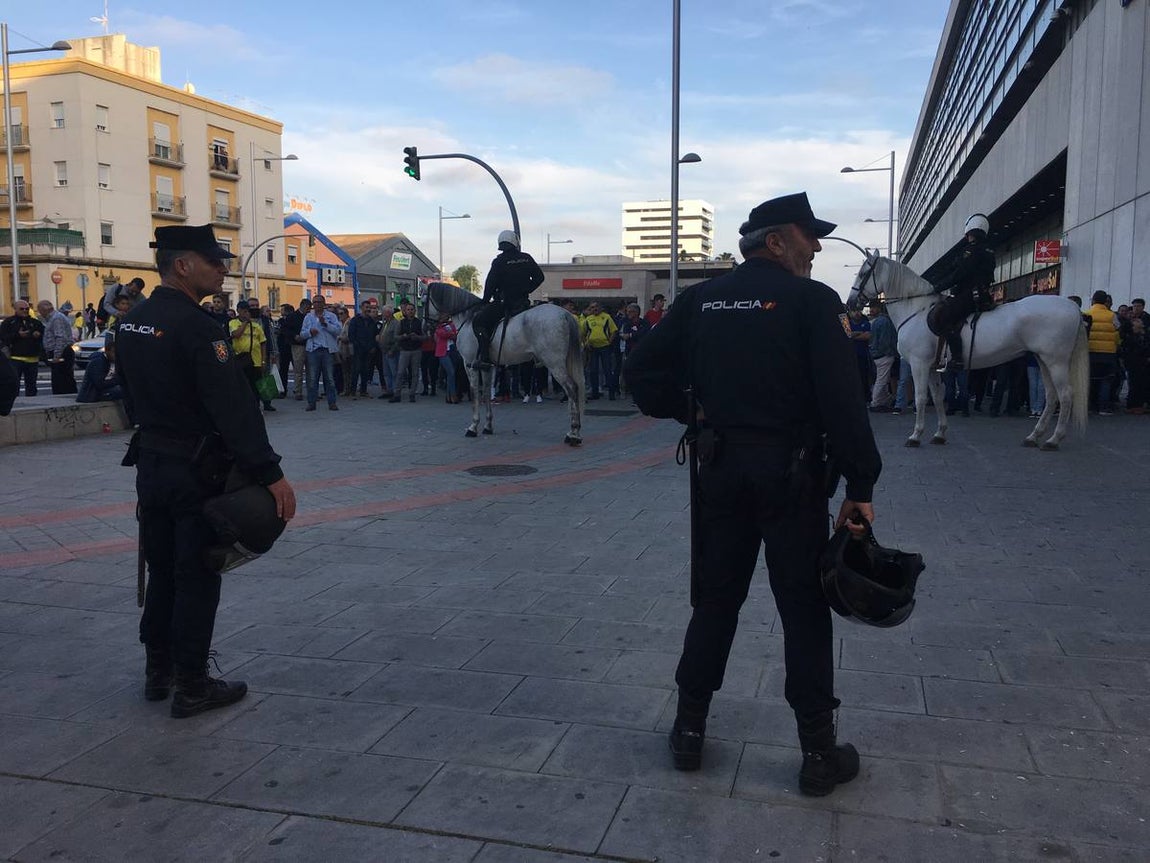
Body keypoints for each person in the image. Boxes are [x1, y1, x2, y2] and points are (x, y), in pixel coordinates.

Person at [624, 192, 882, 796]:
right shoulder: (812, 303)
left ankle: (689, 731)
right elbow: (845, 403)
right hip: (791, 479)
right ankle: (819, 752)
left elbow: (641, 371)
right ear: (776, 241)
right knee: (803, 607)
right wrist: (861, 483)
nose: (817, 247)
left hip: (720, 471)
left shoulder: (701, 300)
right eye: (808, 236)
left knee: (715, 599)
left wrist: (693, 413)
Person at [115, 224, 296, 718]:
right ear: (182, 265)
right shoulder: (199, 326)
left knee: (163, 570)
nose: (222, 269)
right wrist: (270, 473)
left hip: (152, 465)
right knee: (197, 573)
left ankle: (159, 670)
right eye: (213, 261)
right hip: (197, 472)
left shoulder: (132, 321)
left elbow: (126, 394)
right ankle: (192, 684)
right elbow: (233, 407)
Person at [932, 214, 996, 372]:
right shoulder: (989, 250)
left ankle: (957, 358)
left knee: (945, 317)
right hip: (983, 294)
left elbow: (959, 274)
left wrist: (938, 287)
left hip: (969, 295)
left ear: (970, 232)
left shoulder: (971, 250)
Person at [474, 230, 544, 366]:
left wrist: (485, 301)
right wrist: (527, 289)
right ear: (515, 242)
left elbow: (490, 284)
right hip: (523, 303)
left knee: (479, 321)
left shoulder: (499, 261)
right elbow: (539, 277)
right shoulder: (526, 258)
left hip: (503, 304)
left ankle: (485, 356)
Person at [229, 304, 275, 412]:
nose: (246, 314)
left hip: (256, 360)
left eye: (247, 311)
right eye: (244, 311)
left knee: (258, 385)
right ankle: (244, 406)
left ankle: (259, 405)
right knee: (243, 385)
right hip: (241, 359)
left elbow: (263, 342)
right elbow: (236, 334)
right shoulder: (233, 323)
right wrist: (245, 322)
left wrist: (264, 360)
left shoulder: (256, 326)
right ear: (239, 311)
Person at [301, 295, 341, 411]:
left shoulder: (331, 316)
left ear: (324, 303)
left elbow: (338, 331)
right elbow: (302, 334)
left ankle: (332, 402)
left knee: (329, 378)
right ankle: (311, 403)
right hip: (313, 350)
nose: (317, 304)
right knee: (312, 378)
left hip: (327, 350)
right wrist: (309, 332)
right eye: (315, 302)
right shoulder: (308, 317)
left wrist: (326, 324)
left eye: (319, 302)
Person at [0, 300, 45, 396]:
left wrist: (38, 335)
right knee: (14, 383)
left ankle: (33, 403)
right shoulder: (8, 322)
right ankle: (14, 403)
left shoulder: (36, 322)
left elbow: (44, 337)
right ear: (15, 309)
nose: (25, 310)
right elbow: (3, 338)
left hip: (33, 359)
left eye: (27, 309)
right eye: (22, 309)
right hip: (15, 359)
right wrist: (18, 335)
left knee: (32, 385)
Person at [1087, 289, 1119, 415]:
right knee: (1106, 380)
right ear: (1106, 301)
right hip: (1108, 353)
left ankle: (1090, 406)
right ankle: (1104, 407)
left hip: (1091, 351)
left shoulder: (1087, 313)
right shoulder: (1112, 315)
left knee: (1091, 379)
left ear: (1093, 300)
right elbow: (1117, 333)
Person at [37, 300, 78, 395]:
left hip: (62, 352)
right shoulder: (55, 318)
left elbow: (60, 337)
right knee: (63, 379)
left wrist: (57, 355)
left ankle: (65, 399)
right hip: (61, 351)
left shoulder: (56, 318)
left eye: (40, 311)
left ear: (44, 310)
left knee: (61, 380)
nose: (40, 314)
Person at [581, 300, 618, 400]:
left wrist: (609, 341)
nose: (594, 309)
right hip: (593, 348)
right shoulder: (588, 319)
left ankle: (611, 393)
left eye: (596, 306)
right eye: (592, 307)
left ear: (600, 307)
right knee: (593, 371)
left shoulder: (606, 317)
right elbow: (583, 333)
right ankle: (595, 393)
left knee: (607, 370)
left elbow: (614, 330)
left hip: (605, 347)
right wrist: (586, 343)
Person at [76, 334, 125, 405]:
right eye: (114, 352)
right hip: (90, 395)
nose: (116, 355)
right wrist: (118, 380)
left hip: (98, 392)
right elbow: (99, 383)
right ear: (107, 351)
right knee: (123, 391)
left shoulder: (109, 362)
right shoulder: (98, 362)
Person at [391, 299, 424, 403]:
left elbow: (425, 337)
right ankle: (397, 394)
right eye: (408, 309)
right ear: (405, 311)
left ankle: (412, 393)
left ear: (415, 311)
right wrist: (403, 336)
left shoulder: (419, 322)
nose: (410, 311)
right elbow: (395, 336)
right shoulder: (401, 322)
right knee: (400, 372)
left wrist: (417, 337)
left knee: (415, 373)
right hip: (404, 350)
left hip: (416, 350)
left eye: (412, 309)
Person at [867, 301, 897, 411]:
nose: (871, 310)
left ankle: (883, 399)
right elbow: (886, 340)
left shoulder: (875, 322)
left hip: (875, 353)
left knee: (881, 378)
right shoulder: (885, 321)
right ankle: (876, 402)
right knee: (882, 380)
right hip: (884, 354)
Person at [348, 300, 381, 398]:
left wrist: (373, 346)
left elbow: (375, 335)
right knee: (356, 370)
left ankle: (363, 390)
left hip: (368, 350)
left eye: (369, 307)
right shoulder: (355, 320)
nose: (368, 309)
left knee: (365, 371)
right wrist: (357, 345)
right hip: (358, 349)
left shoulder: (372, 321)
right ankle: (353, 391)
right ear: (361, 308)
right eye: (366, 307)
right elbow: (351, 335)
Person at [277, 299, 309, 400]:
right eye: (308, 307)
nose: (308, 310)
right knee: (290, 369)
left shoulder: (308, 316)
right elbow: (285, 330)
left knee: (304, 370)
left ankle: (305, 391)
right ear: (303, 306)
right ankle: (288, 391)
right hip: (292, 345)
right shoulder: (292, 316)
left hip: (305, 344)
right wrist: (294, 336)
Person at [435, 313, 460, 403]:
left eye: (445, 315)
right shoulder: (438, 327)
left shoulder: (452, 325)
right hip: (443, 352)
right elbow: (442, 334)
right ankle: (453, 394)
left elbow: (456, 334)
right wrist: (451, 334)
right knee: (451, 372)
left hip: (452, 350)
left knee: (451, 374)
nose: (444, 317)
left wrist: (451, 334)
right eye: (442, 316)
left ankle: (448, 396)